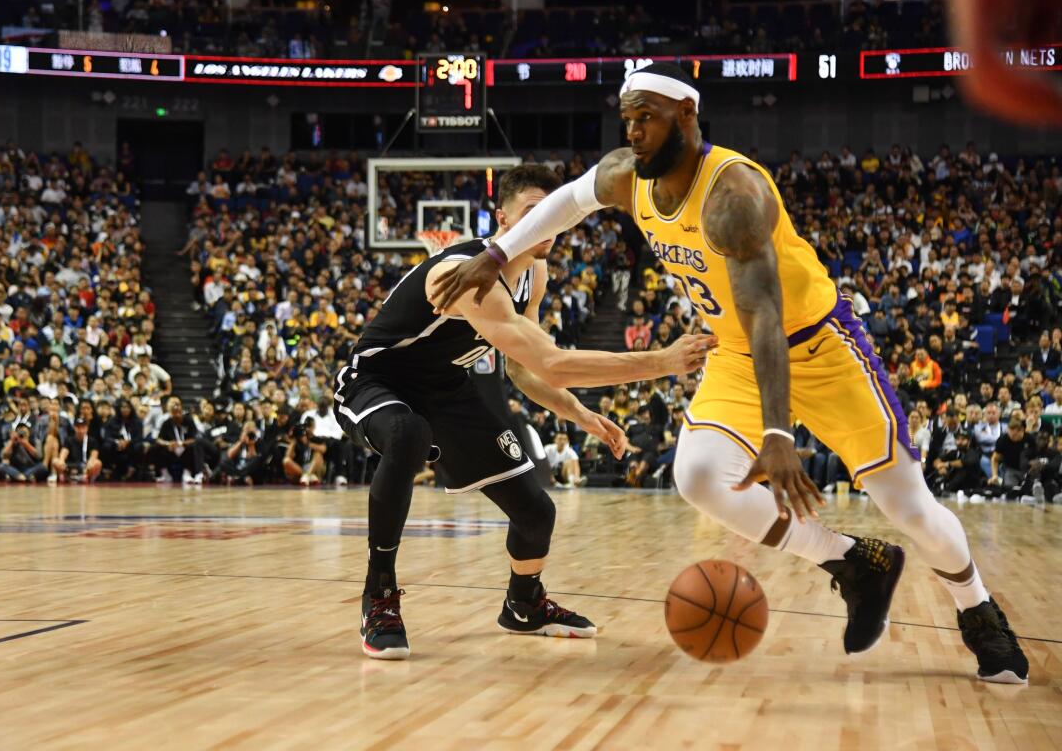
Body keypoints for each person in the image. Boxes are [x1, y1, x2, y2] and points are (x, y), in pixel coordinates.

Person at [430, 63, 1028, 684]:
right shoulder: (627, 176)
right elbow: (569, 200)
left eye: (648, 119)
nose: (634, 133)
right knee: (696, 474)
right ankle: (854, 562)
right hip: (739, 355)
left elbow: (767, 315)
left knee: (907, 506)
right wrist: (497, 252)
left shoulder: (733, 197)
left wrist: (778, 434)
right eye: (627, 119)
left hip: (818, 349)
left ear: (686, 117)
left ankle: (979, 611)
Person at [336, 163, 713, 660]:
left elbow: (525, 370)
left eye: (553, 215)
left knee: (536, 513)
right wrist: (661, 361)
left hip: (446, 388)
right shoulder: (465, 274)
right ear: (503, 220)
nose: (547, 227)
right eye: (534, 214)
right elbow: (553, 361)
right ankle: (379, 594)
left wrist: (580, 414)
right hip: (377, 380)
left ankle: (524, 604)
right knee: (408, 431)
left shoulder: (534, 275)